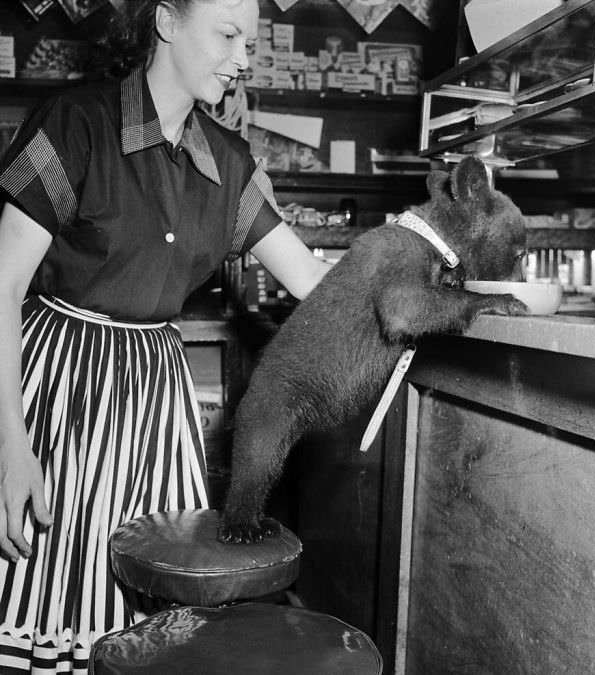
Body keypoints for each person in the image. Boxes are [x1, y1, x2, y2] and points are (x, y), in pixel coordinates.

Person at [0, 0, 330, 671]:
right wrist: (10, 445)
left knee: (152, 616)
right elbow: (2, 284)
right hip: (59, 390)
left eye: (251, 42)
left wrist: (423, 269)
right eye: (230, 35)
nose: (244, 59)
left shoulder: (228, 162)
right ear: (168, 21)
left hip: (153, 400)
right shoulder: (76, 125)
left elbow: (310, 279)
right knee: (49, 580)